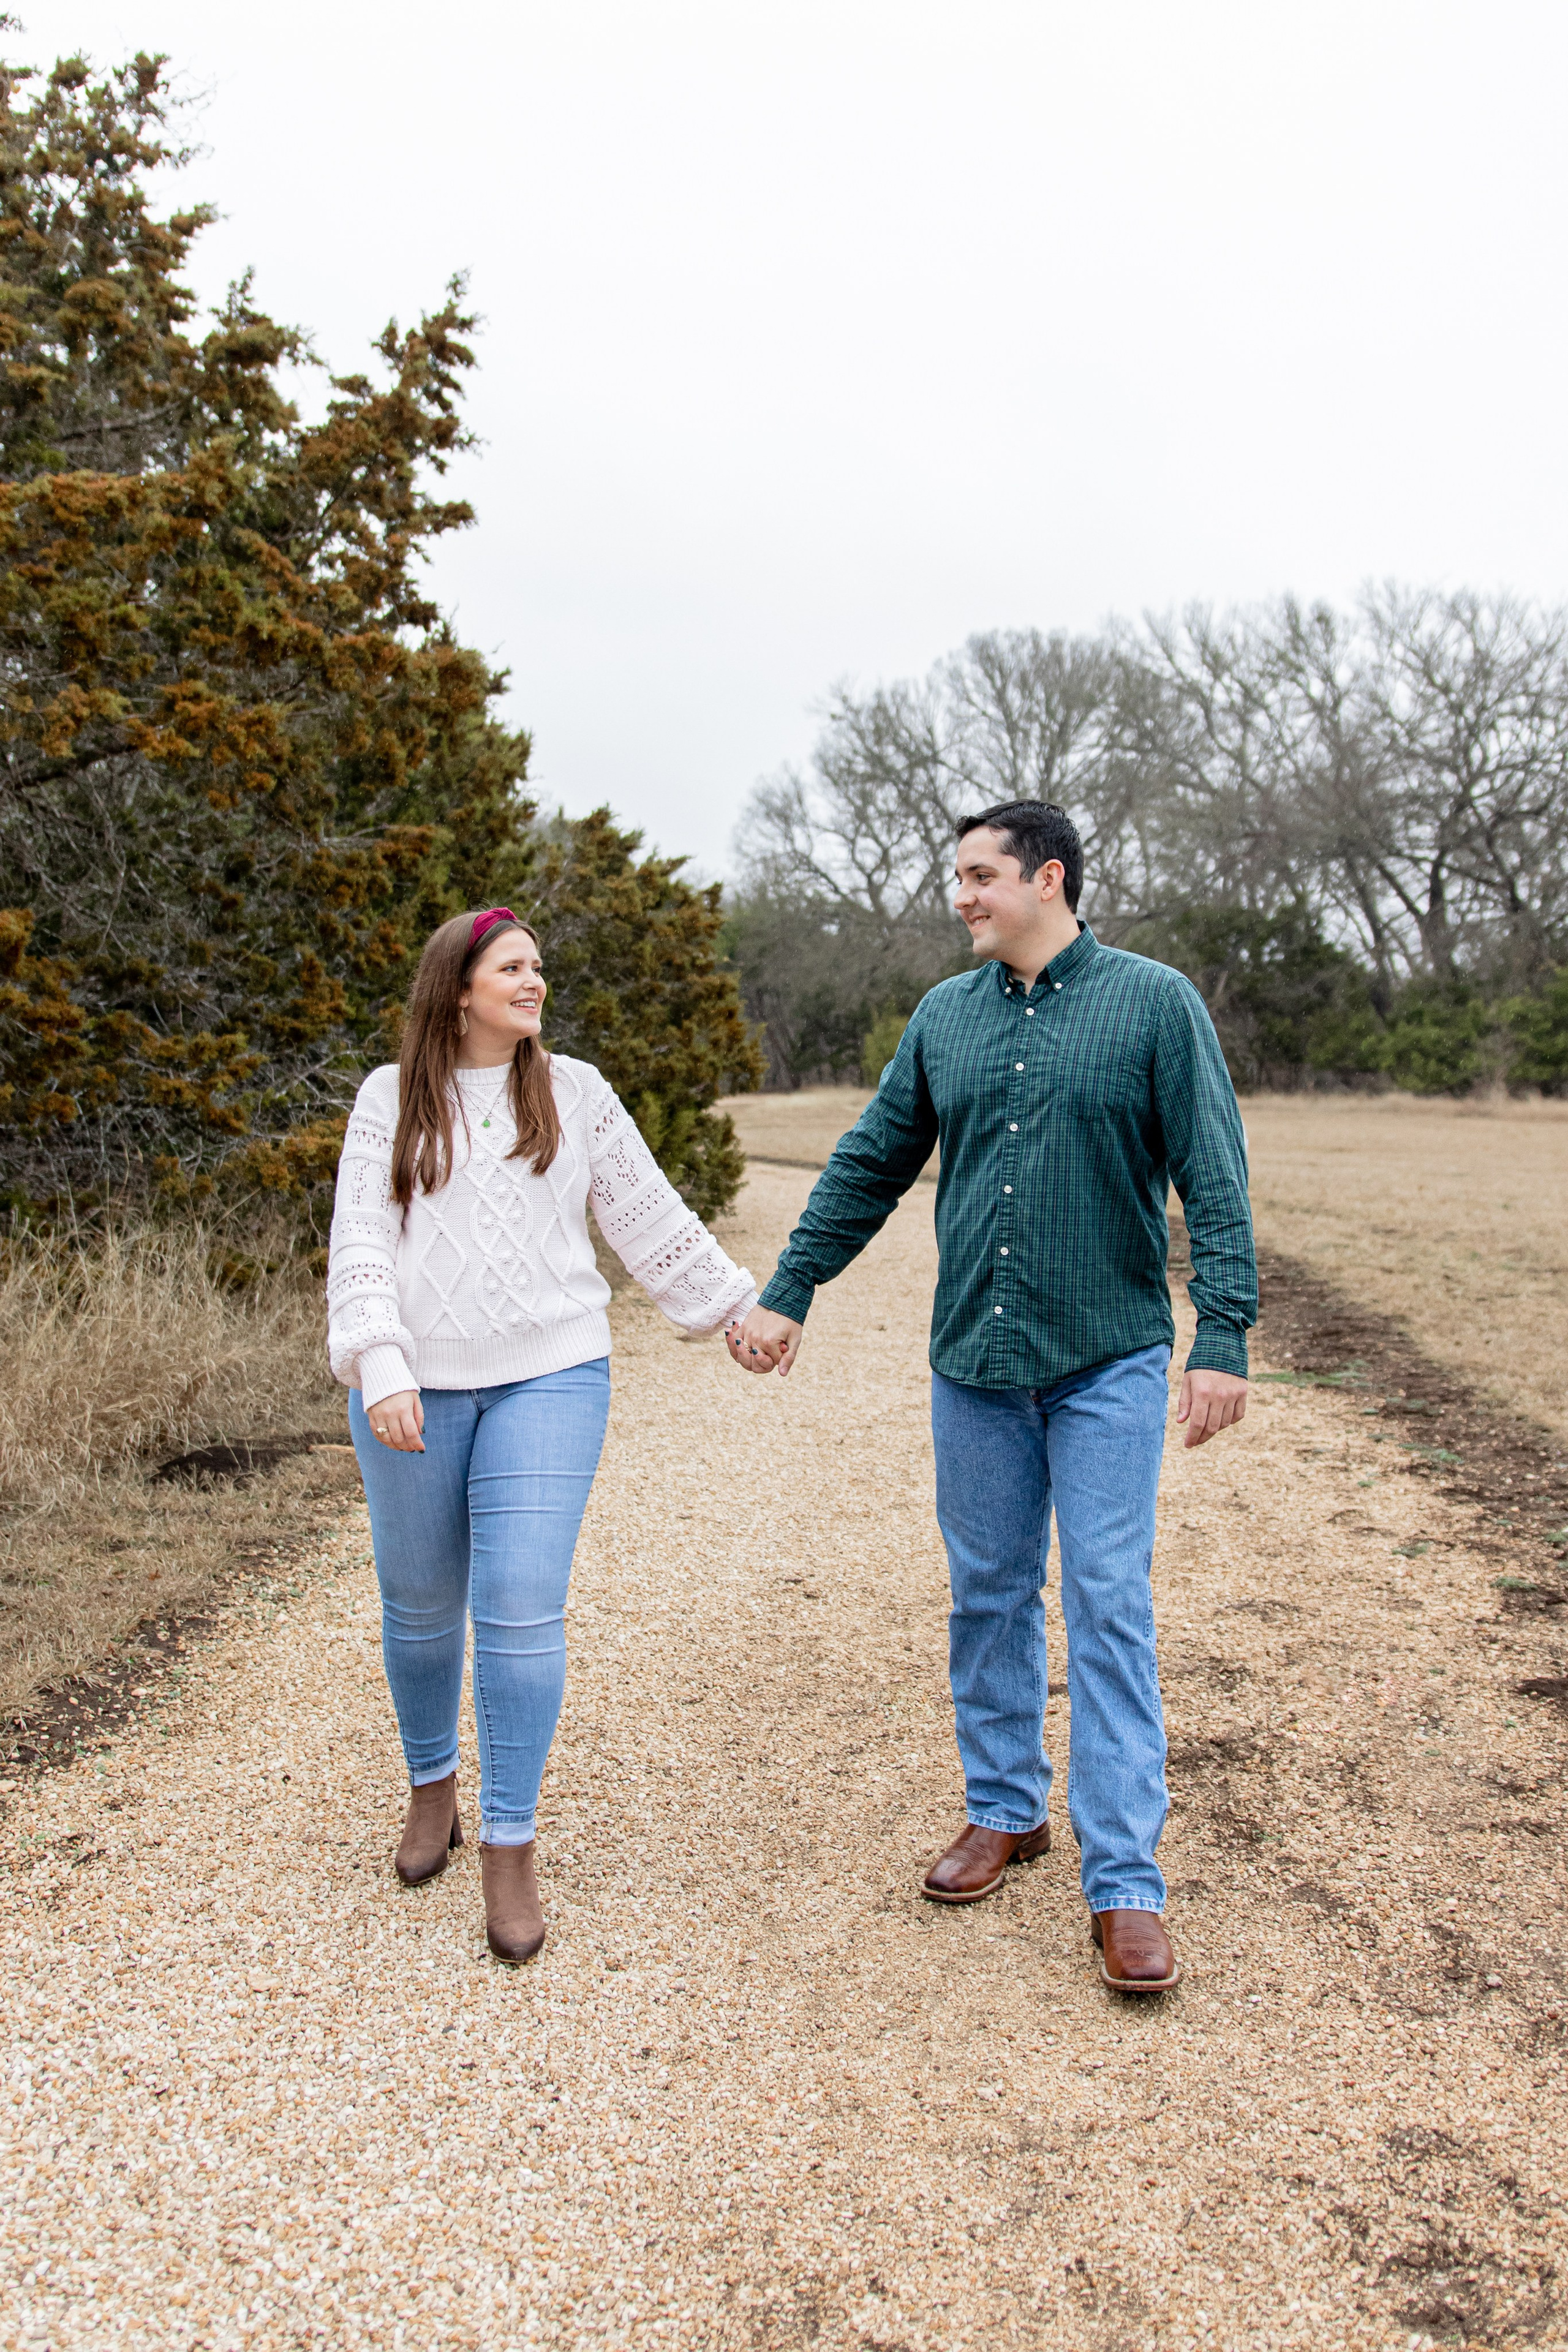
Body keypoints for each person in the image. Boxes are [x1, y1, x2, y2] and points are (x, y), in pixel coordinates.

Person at [726, 804, 1256, 1994]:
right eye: (954, 876)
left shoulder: (1152, 1003)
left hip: (1106, 1357)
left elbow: (1211, 1174)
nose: (959, 897)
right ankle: (1005, 1808)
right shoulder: (943, 1020)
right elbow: (868, 1160)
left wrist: (1218, 1334)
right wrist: (790, 1287)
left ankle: (1122, 1882)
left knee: (1106, 1599)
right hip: (972, 1362)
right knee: (986, 1593)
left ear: (1045, 879)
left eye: (977, 875)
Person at [327, 907, 756, 1963]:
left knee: (520, 1606)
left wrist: (735, 1310)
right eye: (513, 968)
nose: (535, 983)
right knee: (421, 1604)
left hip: (553, 1376)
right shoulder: (392, 1099)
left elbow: (648, 1217)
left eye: (539, 968)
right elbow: (362, 1239)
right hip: (415, 1387)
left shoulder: (576, 1092)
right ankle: (433, 1787)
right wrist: (381, 1362)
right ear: (459, 987)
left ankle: (509, 1848)